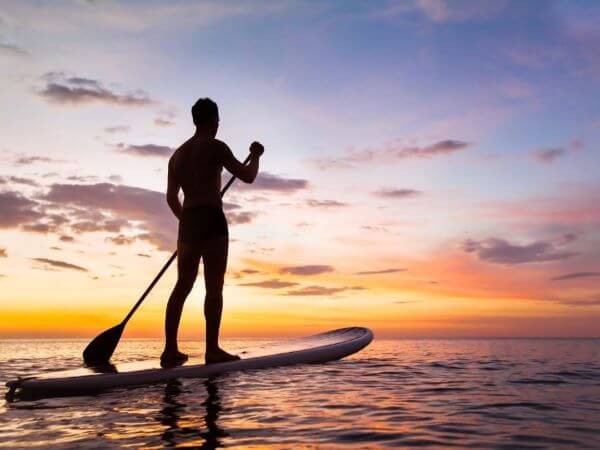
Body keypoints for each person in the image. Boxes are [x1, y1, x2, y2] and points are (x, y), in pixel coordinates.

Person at [161, 98, 264, 367]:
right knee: (213, 286)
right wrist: (256, 157)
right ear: (215, 120)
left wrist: (187, 221)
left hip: (190, 222)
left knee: (182, 286)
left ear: (195, 120)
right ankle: (212, 349)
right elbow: (248, 176)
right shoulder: (216, 147)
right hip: (212, 219)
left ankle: (170, 349)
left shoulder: (178, 156)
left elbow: (171, 198)